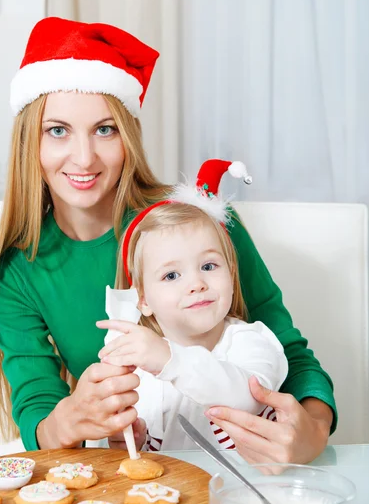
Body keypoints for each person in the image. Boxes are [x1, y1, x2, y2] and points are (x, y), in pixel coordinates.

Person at [0, 16, 336, 464]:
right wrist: (71, 419)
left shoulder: (196, 220)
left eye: (105, 129)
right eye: (58, 130)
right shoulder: (20, 272)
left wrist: (313, 430)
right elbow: (38, 409)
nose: (84, 157)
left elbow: (288, 349)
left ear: (128, 138)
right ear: (29, 143)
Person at [97, 159, 289, 451]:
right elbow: (142, 456)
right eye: (171, 275)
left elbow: (248, 398)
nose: (196, 283)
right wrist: (128, 442)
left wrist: (169, 359)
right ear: (144, 300)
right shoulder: (142, 372)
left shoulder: (252, 343)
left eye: (209, 266)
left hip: (246, 490)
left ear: (232, 276)